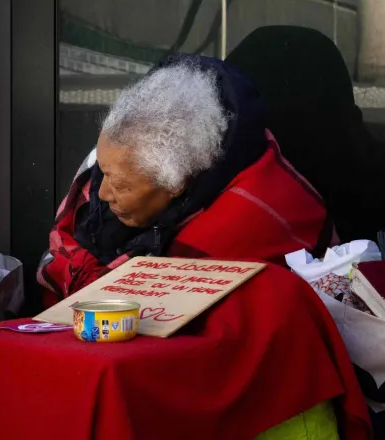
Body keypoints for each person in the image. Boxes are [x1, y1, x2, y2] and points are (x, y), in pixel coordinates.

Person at [38, 54, 335, 307]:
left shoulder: (244, 221)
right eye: (104, 172)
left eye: (121, 186)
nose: (101, 194)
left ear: (176, 184)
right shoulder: (121, 154)